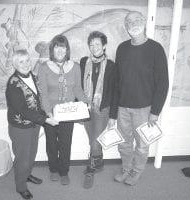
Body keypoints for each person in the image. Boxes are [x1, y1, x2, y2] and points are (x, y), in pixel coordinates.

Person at [108, 11, 169, 186]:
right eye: (129, 21)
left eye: (136, 20)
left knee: (142, 145)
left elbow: (163, 83)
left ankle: (136, 171)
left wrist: (155, 112)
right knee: (124, 143)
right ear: (126, 27)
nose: (133, 23)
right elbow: (117, 82)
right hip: (122, 107)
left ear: (143, 22)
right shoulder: (122, 48)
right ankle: (126, 168)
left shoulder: (156, 49)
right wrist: (114, 111)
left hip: (145, 109)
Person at [5, 49, 59, 199]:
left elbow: (37, 101)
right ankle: (20, 186)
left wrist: (47, 112)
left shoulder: (33, 77)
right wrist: (46, 120)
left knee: (31, 154)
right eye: (20, 62)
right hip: (20, 128)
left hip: (33, 125)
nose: (25, 64)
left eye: (27, 60)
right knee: (22, 157)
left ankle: (26, 175)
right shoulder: (13, 84)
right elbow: (22, 110)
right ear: (15, 64)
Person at [38, 34, 87, 185]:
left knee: (66, 143)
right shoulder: (44, 67)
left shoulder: (76, 67)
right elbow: (43, 93)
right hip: (50, 112)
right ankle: (53, 169)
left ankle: (64, 171)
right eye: (57, 47)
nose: (60, 50)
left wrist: (85, 103)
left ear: (67, 49)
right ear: (52, 49)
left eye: (63, 47)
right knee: (52, 143)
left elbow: (78, 89)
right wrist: (48, 113)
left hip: (69, 113)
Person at [79, 31, 116, 189]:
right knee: (91, 138)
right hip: (86, 107)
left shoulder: (111, 66)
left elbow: (115, 91)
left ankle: (92, 167)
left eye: (97, 44)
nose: (94, 48)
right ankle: (98, 161)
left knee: (95, 141)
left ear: (104, 46)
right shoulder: (83, 62)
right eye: (91, 44)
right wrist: (77, 107)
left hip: (102, 108)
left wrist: (113, 116)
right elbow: (78, 85)